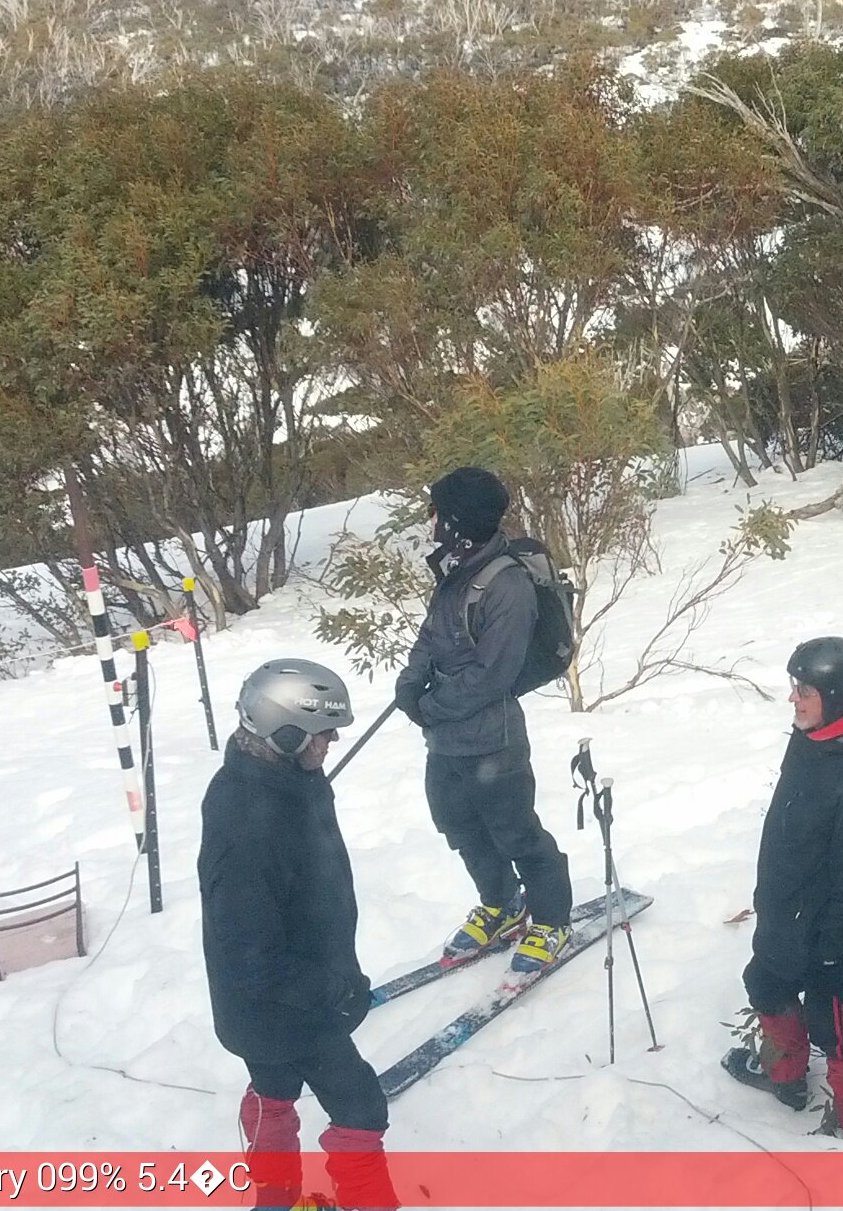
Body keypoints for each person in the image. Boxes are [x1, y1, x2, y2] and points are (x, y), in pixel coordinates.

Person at [200, 658, 397, 1211]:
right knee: (360, 1109)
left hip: (261, 1010)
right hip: (289, 1006)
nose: (332, 740)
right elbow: (252, 957)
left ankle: (276, 1199)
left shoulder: (277, 781)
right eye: (322, 731)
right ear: (283, 734)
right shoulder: (250, 825)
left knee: (274, 1090)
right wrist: (336, 990)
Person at [394, 465, 574, 973]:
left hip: (494, 742)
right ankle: (501, 903)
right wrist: (410, 683)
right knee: (458, 824)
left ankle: (552, 919)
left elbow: (495, 672)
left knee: (516, 832)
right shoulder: (454, 568)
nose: (429, 520)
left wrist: (430, 708)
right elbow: (431, 636)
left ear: (456, 520)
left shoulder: (506, 584)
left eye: (435, 511)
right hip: (447, 741)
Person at [723, 637, 843, 1142]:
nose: (794, 698)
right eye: (794, 685)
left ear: (838, 695)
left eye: (805, 689)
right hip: (784, 911)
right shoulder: (810, 737)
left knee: (833, 1022)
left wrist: (838, 947)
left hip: (830, 930)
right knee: (767, 984)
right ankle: (785, 1078)